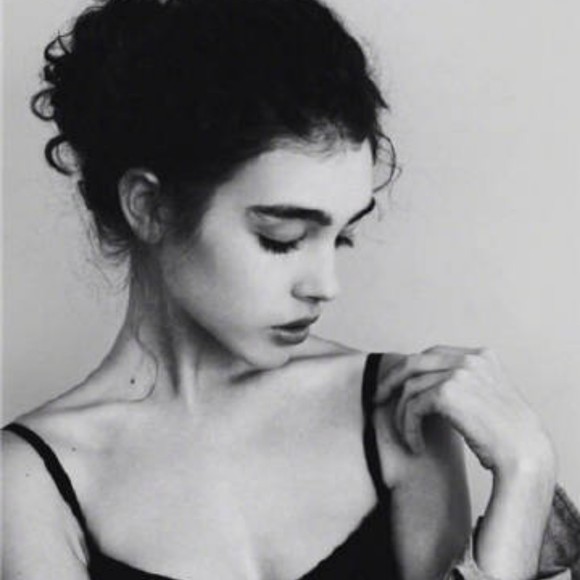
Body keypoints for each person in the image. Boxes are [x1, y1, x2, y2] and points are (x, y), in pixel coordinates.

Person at [2, 0, 579, 578]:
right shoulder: (30, 480)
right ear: (149, 206)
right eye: (282, 238)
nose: (326, 286)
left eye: (341, 237)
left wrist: (527, 472)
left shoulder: (397, 409)